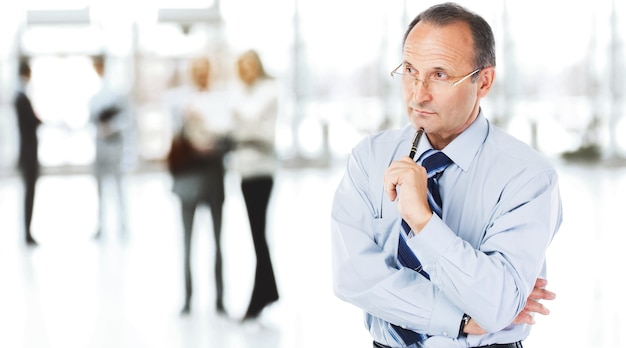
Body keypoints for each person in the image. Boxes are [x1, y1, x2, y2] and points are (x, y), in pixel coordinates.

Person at [330, 3, 562, 348]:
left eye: (439, 75)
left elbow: (497, 303)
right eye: (410, 70)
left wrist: (421, 221)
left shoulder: (527, 177)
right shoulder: (369, 158)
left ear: (483, 82)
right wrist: (464, 318)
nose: (417, 93)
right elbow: (353, 277)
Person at [165, 55, 232, 315]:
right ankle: (188, 298)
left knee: (217, 241)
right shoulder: (181, 102)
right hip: (189, 182)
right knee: (187, 241)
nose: (202, 75)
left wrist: (212, 141)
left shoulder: (221, 102)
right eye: (197, 71)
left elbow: (227, 140)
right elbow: (176, 141)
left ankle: (219, 299)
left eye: (206, 70)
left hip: (214, 179)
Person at [230, 50, 280, 321]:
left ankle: (260, 298)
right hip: (245, 171)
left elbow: (253, 127)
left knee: (259, 236)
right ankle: (268, 292)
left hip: (262, 171)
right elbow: (237, 127)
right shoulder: (241, 92)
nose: (246, 71)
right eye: (242, 66)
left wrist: (242, 128)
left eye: (250, 65)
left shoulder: (268, 91)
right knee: (256, 236)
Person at [89, 54, 133, 239]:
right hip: (100, 143)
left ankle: (123, 226)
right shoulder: (95, 93)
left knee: (117, 185)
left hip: (114, 144)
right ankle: (101, 226)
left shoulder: (116, 91)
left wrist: (111, 127)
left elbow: (127, 118)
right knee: (100, 187)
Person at [14, 58, 42, 246]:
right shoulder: (21, 97)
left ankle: (28, 231)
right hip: (28, 153)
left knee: (29, 192)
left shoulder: (21, 96)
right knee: (29, 193)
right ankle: (27, 232)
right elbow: (31, 122)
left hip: (28, 151)